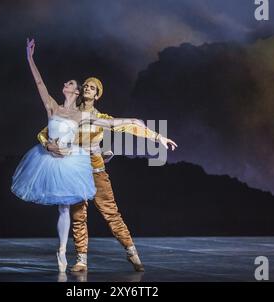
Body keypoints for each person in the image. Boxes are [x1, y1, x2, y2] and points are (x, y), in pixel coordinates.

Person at [12, 38, 177, 273]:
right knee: (78, 215)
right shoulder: (70, 114)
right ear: (81, 92)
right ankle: (81, 259)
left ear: (97, 95)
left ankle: (131, 251)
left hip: (96, 168)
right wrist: (49, 146)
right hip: (74, 169)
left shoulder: (100, 118)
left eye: (93, 87)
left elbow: (130, 125)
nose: (88, 88)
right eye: (86, 85)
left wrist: (157, 137)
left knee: (110, 213)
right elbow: (45, 133)